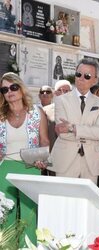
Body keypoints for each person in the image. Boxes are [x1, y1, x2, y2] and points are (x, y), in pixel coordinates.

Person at [0, 72, 49, 246]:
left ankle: (29, 247)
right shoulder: (0, 115)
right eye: (4, 89)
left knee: (30, 213)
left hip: (30, 167)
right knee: (6, 213)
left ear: (20, 88)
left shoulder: (36, 112)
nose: (9, 92)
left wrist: (42, 159)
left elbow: (44, 140)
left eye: (13, 87)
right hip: (4, 169)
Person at [50, 58, 99, 183]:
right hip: (65, 159)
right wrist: (89, 133)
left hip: (91, 162)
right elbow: (63, 133)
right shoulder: (61, 100)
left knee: (86, 201)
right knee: (64, 199)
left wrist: (73, 128)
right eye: (78, 74)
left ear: (95, 80)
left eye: (87, 76)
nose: (81, 78)